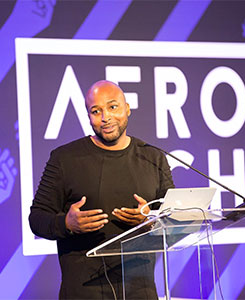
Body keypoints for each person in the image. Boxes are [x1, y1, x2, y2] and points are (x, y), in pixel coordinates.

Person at [29, 80, 175, 299]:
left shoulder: (153, 157)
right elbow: (37, 218)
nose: (105, 117)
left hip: (140, 290)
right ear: (88, 116)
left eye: (112, 107)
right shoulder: (64, 159)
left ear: (127, 108)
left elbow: (173, 219)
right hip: (84, 291)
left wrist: (150, 220)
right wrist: (66, 224)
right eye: (96, 111)